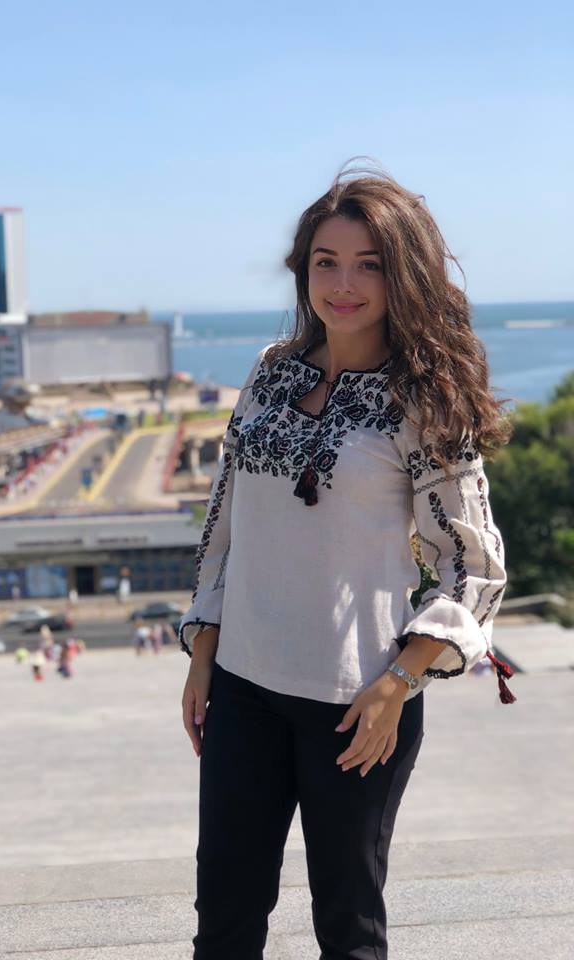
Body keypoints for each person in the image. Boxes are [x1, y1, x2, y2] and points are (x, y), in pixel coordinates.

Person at [178, 159, 516, 960]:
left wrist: (400, 683)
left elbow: (473, 565)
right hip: (244, 686)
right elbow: (225, 522)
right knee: (223, 917)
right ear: (303, 270)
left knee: (349, 927)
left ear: (404, 275)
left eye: (370, 264)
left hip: (357, 701)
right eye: (326, 261)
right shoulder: (271, 371)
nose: (344, 284)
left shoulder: (423, 399)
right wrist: (204, 652)